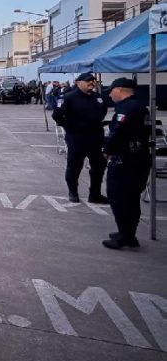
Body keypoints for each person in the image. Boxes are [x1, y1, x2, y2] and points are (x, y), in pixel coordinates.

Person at [101, 78, 151, 250]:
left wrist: (107, 149)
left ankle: (125, 236)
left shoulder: (126, 108)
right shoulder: (140, 107)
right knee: (131, 197)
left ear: (120, 89)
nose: (110, 94)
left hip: (125, 159)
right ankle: (128, 233)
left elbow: (118, 132)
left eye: (111, 91)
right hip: (139, 157)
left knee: (119, 196)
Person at [51, 72, 108, 203]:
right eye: (88, 80)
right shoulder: (68, 97)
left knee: (98, 167)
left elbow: (103, 111)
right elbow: (57, 115)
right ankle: (73, 192)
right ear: (78, 82)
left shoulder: (98, 98)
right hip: (77, 138)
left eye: (93, 80)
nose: (91, 83)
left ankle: (95, 194)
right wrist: (68, 126)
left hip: (95, 138)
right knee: (74, 167)